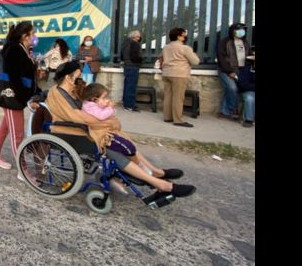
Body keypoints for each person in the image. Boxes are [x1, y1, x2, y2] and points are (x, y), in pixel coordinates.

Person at [38, 61, 196, 200]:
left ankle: (155, 172)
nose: (80, 78)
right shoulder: (58, 93)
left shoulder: (72, 90)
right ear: (68, 77)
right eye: (78, 75)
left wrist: (106, 118)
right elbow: (79, 117)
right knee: (113, 150)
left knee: (124, 140)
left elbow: (89, 107)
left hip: (85, 129)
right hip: (72, 132)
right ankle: (161, 185)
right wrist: (106, 122)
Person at [0, 22, 38, 175]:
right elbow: (14, 77)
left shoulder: (22, 48)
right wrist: (23, 98)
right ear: (25, 36)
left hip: (17, 96)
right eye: (32, 33)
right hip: (12, 97)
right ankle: (23, 171)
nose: (34, 37)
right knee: (18, 134)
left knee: (5, 127)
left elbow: (26, 74)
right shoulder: (14, 49)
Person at [160, 28, 200, 128]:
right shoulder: (185, 48)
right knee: (178, 97)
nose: (185, 36)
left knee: (168, 95)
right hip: (179, 74)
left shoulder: (166, 47)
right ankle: (178, 119)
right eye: (184, 35)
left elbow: (163, 58)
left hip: (167, 73)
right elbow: (195, 61)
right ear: (179, 36)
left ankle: (167, 116)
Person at [216, 22, 254, 125]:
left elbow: (248, 56)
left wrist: (251, 57)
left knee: (229, 90)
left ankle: (224, 113)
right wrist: (229, 71)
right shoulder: (225, 42)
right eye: (238, 30)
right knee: (232, 88)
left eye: (243, 30)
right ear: (233, 31)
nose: (241, 32)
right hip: (226, 70)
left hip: (241, 71)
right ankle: (233, 109)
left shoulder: (245, 43)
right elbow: (221, 58)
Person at [120, 30, 143, 112]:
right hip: (133, 66)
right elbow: (135, 56)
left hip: (126, 65)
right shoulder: (134, 44)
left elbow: (122, 56)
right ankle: (129, 105)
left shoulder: (125, 44)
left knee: (127, 85)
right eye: (138, 36)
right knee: (131, 86)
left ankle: (125, 104)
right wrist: (140, 60)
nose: (139, 38)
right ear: (134, 37)